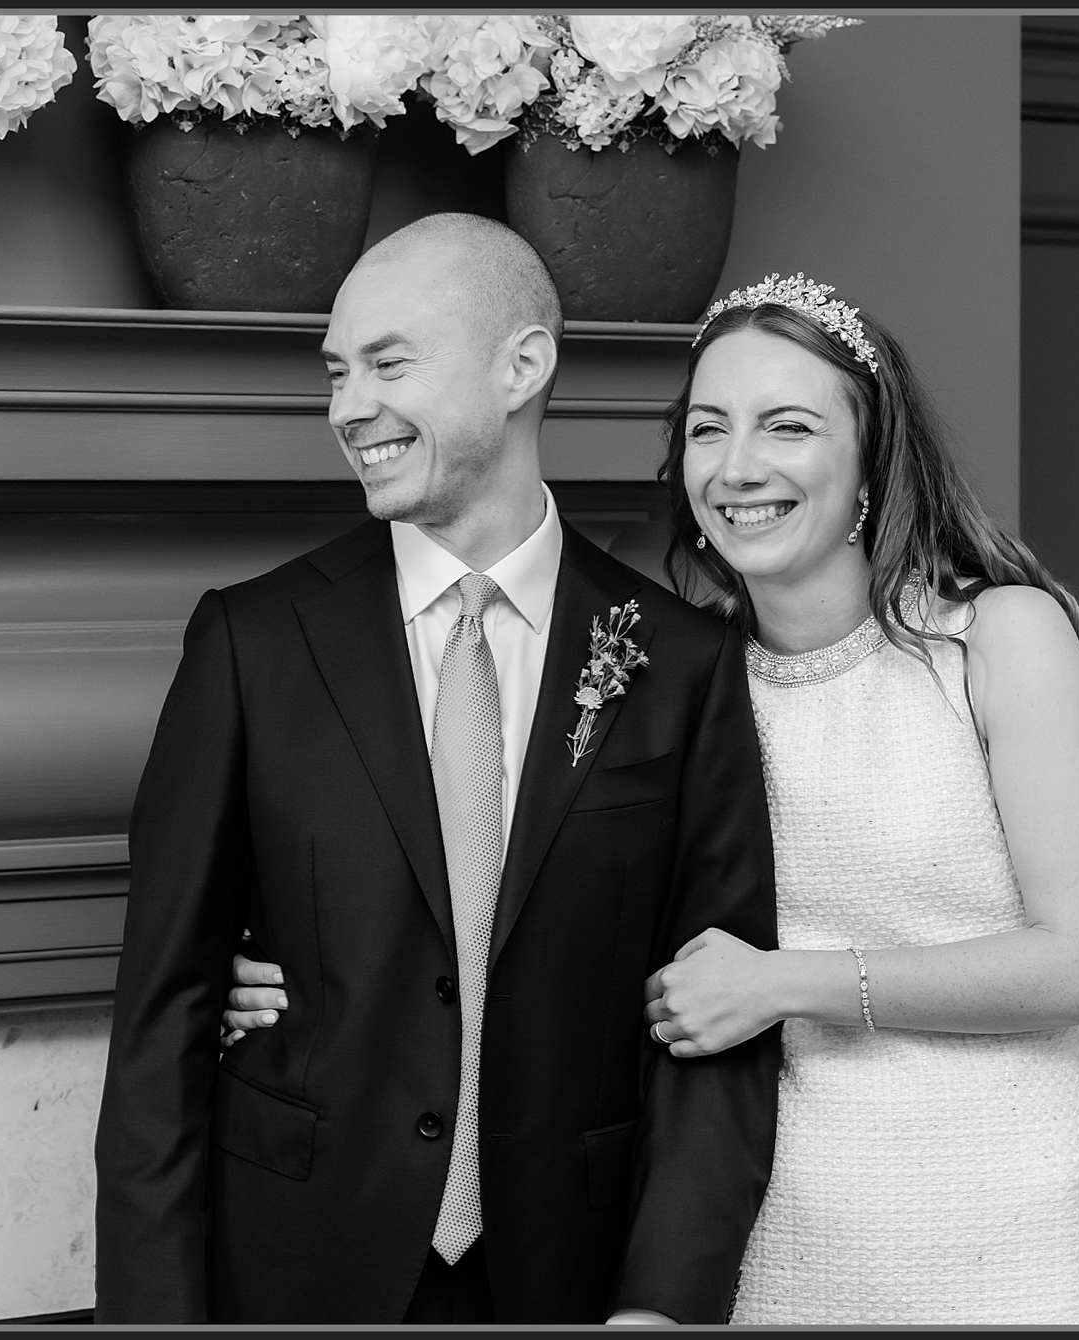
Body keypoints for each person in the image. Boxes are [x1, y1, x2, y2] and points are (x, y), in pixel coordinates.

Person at [231, 270, 1079, 1324]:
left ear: (870, 458)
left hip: (1000, 1212)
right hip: (773, 1224)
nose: (738, 466)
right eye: (708, 430)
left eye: (787, 426)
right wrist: (283, 979)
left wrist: (780, 981)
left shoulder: (992, 638)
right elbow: (526, 895)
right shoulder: (666, 667)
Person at [93, 214, 781, 1326]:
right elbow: (159, 1025)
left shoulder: (680, 660)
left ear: (522, 366)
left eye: (388, 362)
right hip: (297, 1269)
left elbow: (718, 1023)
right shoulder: (252, 643)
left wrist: (662, 1303)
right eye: (334, 372)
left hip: (571, 1275)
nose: (346, 406)